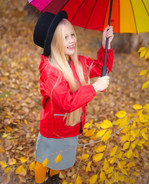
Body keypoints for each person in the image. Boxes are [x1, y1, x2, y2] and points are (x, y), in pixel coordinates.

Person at [33, 10, 114, 184]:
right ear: (54, 43)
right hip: (53, 129)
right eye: (65, 37)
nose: (72, 40)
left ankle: (53, 177)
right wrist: (93, 88)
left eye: (72, 35)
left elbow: (101, 67)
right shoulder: (50, 72)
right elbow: (67, 103)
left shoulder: (77, 62)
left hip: (70, 126)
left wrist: (106, 46)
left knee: (59, 158)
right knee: (44, 158)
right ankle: (40, 181)